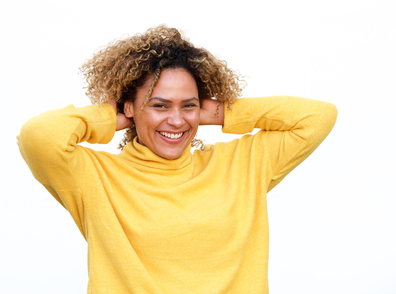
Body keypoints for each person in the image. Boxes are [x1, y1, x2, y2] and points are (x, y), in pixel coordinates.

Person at [17, 25, 337, 294]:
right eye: (159, 105)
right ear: (129, 107)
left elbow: (318, 117)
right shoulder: (95, 178)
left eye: (188, 105)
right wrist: (113, 115)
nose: (177, 120)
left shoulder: (242, 165)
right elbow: (39, 135)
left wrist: (221, 113)